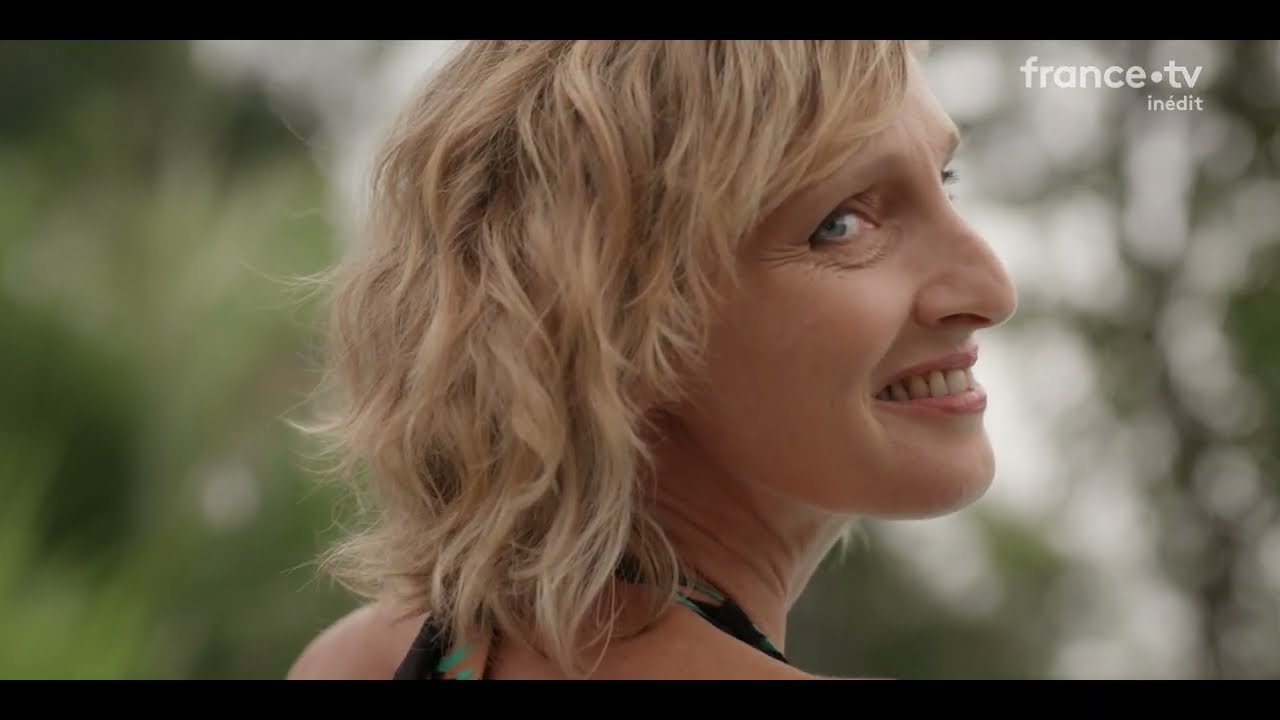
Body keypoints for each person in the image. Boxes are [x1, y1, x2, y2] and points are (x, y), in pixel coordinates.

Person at [287, 39, 1017, 681]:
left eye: (945, 181)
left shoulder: (358, 661)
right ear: (610, 320)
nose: (991, 289)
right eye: (843, 223)